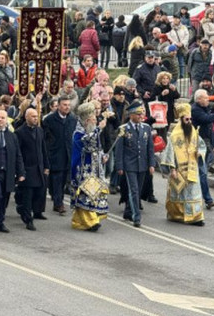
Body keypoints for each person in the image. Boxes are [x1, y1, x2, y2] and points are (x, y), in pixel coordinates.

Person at [160, 103, 206, 226]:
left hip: (192, 168)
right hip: (179, 169)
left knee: (193, 193)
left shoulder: (193, 131)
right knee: (179, 193)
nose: (189, 121)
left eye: (190, 119)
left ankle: (196, 217)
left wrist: (199, 153)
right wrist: (172, 168)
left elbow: (201, 145)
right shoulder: (175, 135)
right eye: (187, 119)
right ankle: (177, 215)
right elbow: (170, 153)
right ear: (181, 119)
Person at [114, 100, 154, 227]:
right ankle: (136, 217)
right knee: (134, 190)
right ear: (131, 115)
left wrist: (151, 164)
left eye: (141, 114)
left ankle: (128, 210)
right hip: (129, 165)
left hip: (142, 164)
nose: (140, 116)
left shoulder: (146, 128)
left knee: (139, 189)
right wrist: (119, 166)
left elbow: (150, 149)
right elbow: (119, 150)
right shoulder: (124, 129)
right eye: (137, 114)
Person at [70, 102, 109, 231]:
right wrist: (99, 129)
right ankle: (90, 222)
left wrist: (102, 155)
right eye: (94, 119)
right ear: (87, 121)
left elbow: (97, 146)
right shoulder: (78, 133)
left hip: (94, 168)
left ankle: (80, 220)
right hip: (83, 170)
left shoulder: (91, 131)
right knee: (86, 195)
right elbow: (87, 142)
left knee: (93, 195)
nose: (96, 121)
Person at [43, 96, 77, 215]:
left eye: (68, 105)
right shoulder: (49, 120)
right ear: (58, 106)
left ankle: (57, 200)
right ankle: (59, 203)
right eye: (64, 105)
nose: (67, 107)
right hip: (55, 154)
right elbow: (46, 139)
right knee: (56, 179)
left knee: (63, 180)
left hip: (68, 154)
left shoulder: (73, 119)